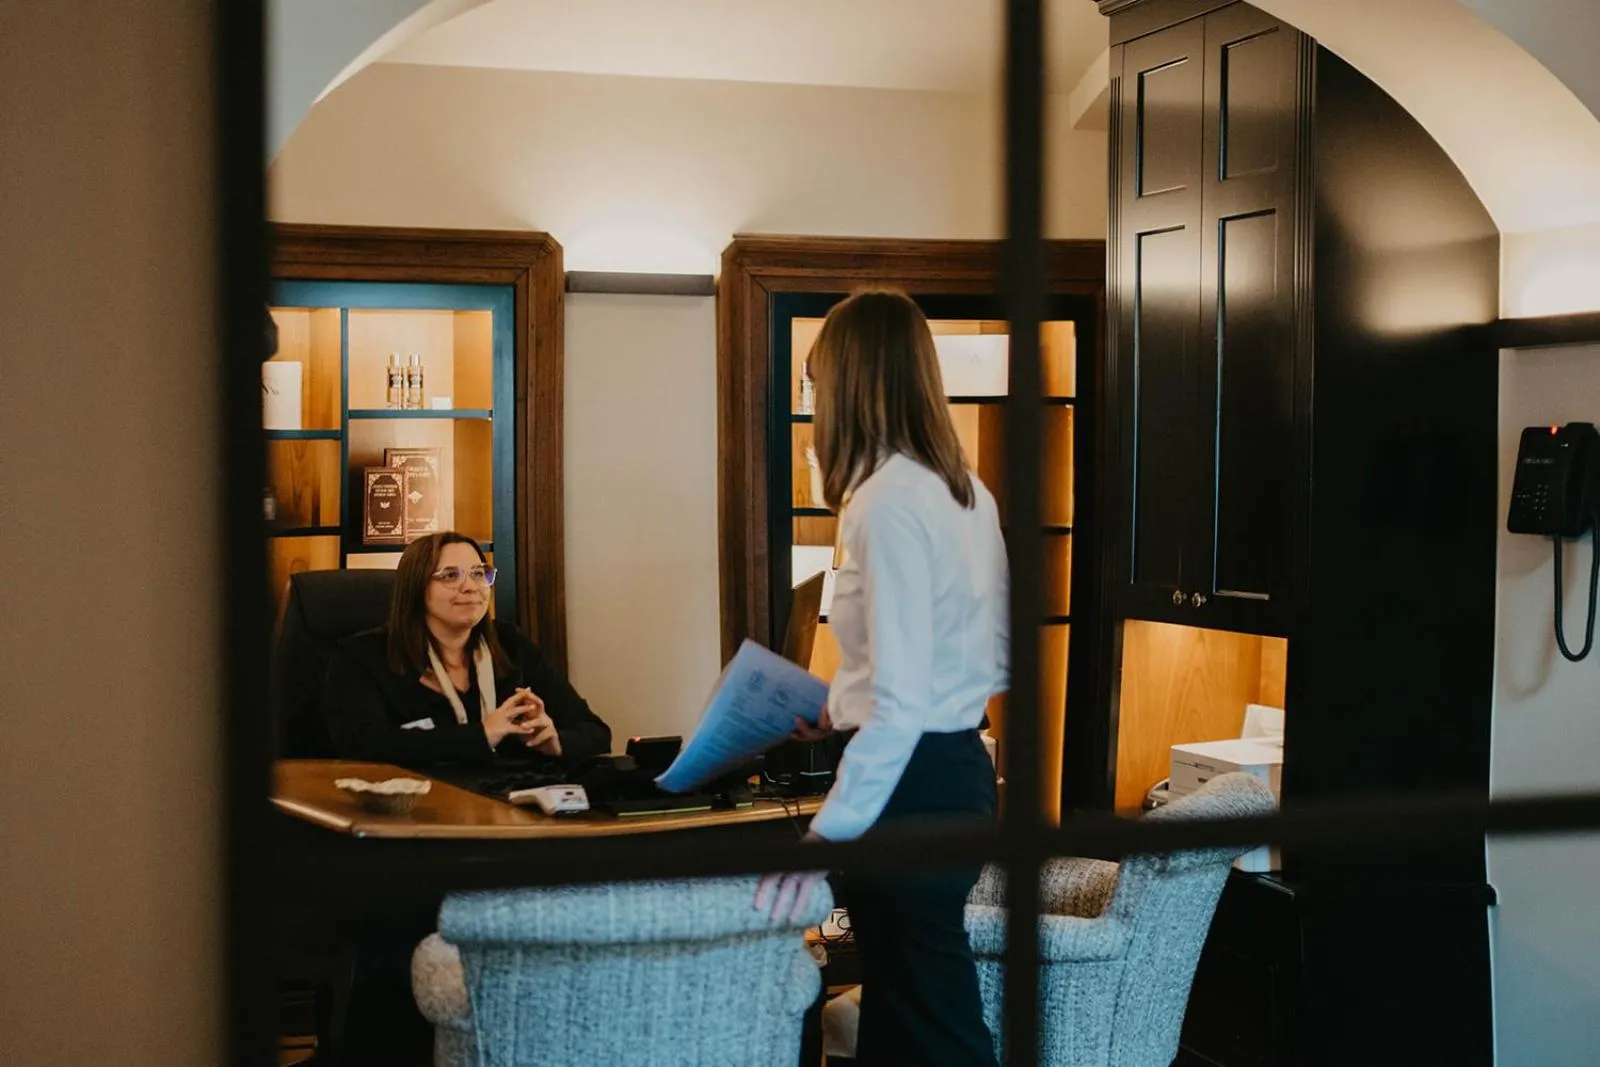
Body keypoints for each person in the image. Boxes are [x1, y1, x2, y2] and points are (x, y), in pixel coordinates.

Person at [755, 289, 1007, 1066]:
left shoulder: (883, 502)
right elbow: (971, 657)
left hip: (912, 786)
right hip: (959, 769)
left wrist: (824, 832)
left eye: (817, 379)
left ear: (851, 381)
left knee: (933, 1024)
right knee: (911, 1012)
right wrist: (838, 706)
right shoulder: (967, 490)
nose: (814, 397)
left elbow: (900, 705)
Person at [324, 530, 610, 769]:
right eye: (450, 576)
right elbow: (363, 749)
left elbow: (597, 733)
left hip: (513, 809)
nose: (471, 587)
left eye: (479, 573)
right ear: (416, 588)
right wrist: (482, 735)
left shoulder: (510, 645)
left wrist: (554, 740)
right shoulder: (361, 657)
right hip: (419, 817)